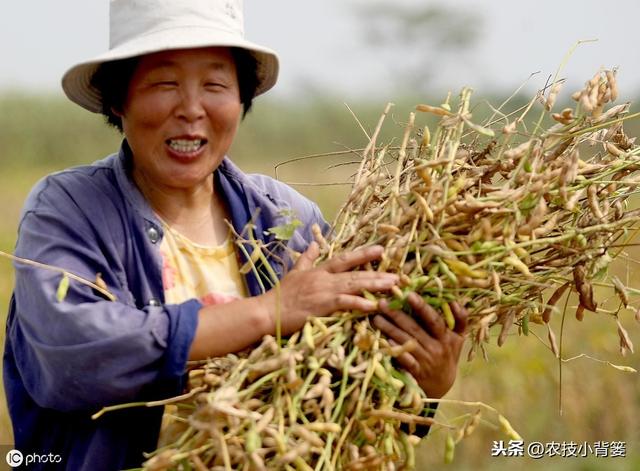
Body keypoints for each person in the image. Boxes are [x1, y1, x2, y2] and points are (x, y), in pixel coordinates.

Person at [3, 1, 467, 469]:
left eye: (215, 84)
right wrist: (271, 310)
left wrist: (426, 386)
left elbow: (349, 406)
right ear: (119, 98)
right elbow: (72, 356)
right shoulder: (70, 209)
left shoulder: (289, 222)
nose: (190, 109)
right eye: (164, 83)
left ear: (241, 99)